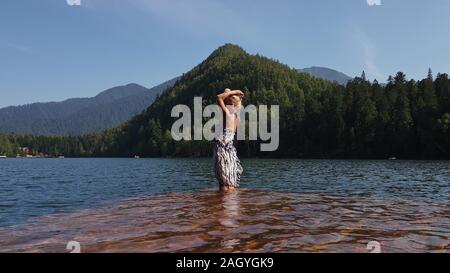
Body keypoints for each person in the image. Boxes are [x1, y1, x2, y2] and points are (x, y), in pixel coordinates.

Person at [214, 88, 244, 192]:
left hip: (223, 148)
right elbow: (238, 103)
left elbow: (218, 97)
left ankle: (223, 205)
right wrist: (236, 96)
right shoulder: (237, 117)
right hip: (230, 149)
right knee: (230, 181)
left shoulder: (227, 113)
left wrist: (233, 92)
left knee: (223, 182)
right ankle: (230, 205)